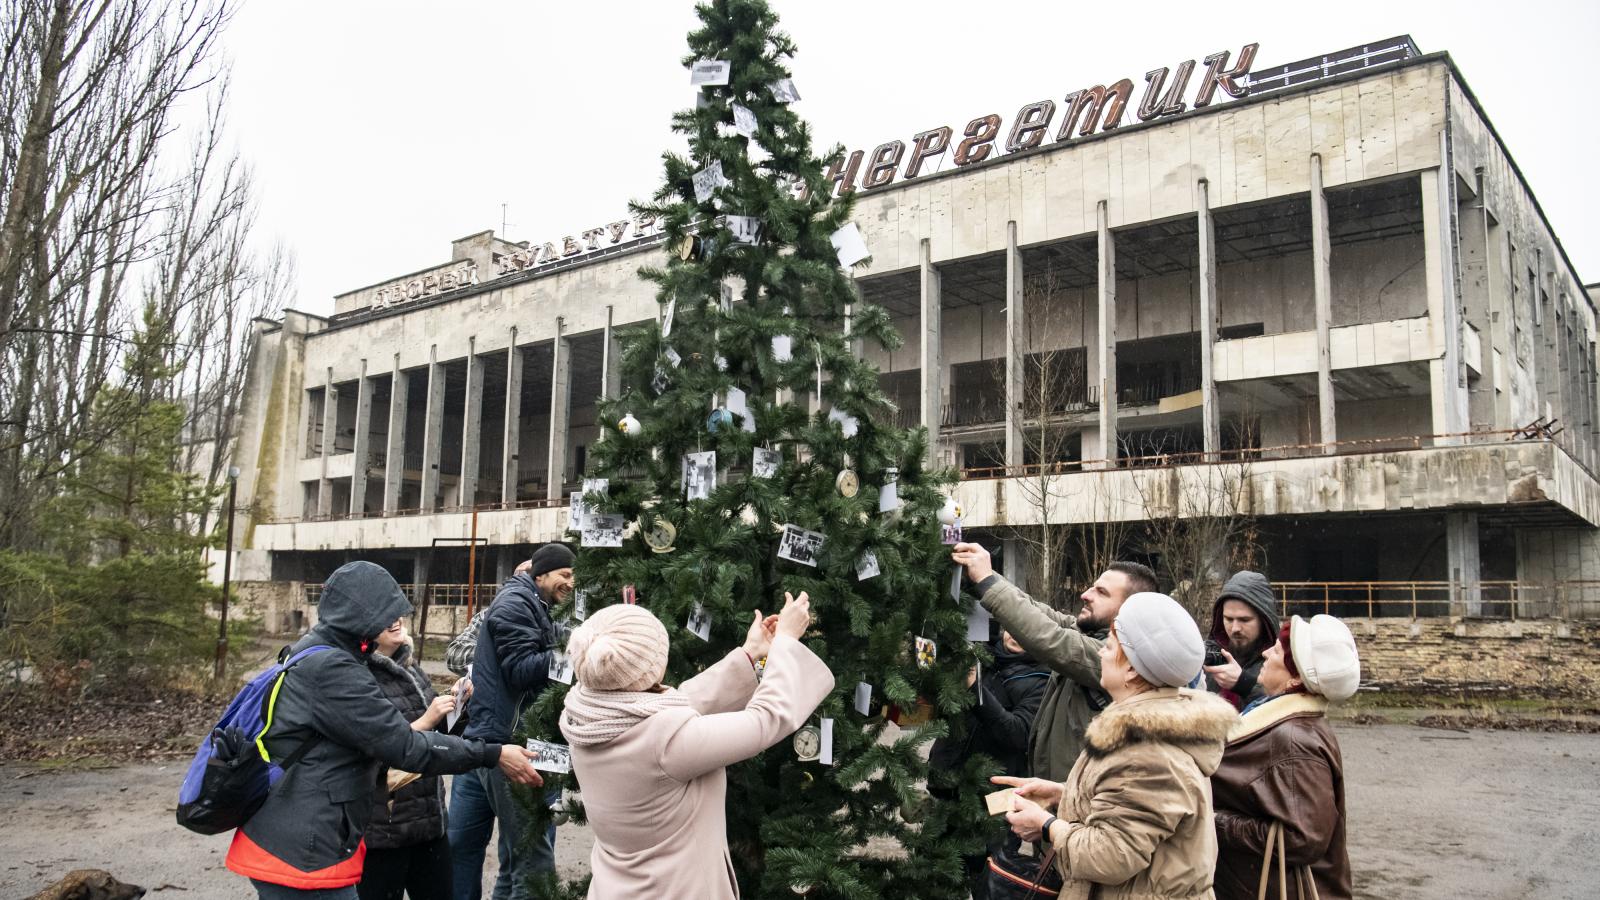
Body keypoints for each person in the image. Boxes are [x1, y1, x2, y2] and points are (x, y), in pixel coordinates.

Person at [225, 561, 542, 900]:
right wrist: (492, 753)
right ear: (360, 615)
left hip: (311, 841)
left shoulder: (319, 653)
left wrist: (458, 711)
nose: (395, 621)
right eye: (386, 613)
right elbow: (403, 746)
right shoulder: (332, 669)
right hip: (302, 854)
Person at [560, 593, 832, 899]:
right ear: (653, 668)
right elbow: (765, 721)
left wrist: (749, 652)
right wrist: (786, 643)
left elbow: (677, 703)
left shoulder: (586, 714)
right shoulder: (667, 742)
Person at [999, 592, 1238, 899]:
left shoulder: (1145, 750)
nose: (1101, 654)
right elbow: (1131, 805)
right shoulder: (1148, 732)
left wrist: (1047, 826)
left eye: (1110, 647)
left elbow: (1111, 856)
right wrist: (1063, 794)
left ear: (1132, 670)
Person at [951, 541, 1159, 784]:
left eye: (1101, 592)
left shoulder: (1117, 656)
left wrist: (987, 581)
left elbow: (1051, 638)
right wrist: (983, 579)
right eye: (1092, 587)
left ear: (1130, 610)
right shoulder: (1090, 634)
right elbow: (1039, 612)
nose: (1085, 594)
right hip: (1058, 795)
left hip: (1081, 807)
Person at [451, 544, 574, 900]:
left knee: (518, 859)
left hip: (530, 740)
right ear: (539, 575)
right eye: (563, 575)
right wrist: (573, 653)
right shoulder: (515, 605)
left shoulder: (542, 607)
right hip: (514, 743)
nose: (570, 582)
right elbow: (521, 670)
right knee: (531, 865)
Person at [1211, 615, 1360, 900]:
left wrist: (1214, 821)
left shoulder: (1294, 740)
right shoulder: (1284, 721)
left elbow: (1303, 838)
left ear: (1295, 678)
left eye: (1277, 650)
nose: (1266, 652)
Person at [927, 629, 1048, 900]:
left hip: (997, 801)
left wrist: (975, 686)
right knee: (936, 873)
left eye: (1025, 629)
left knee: (989, 881)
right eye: (1011, 626)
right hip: (948, 789)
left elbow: (1017, 733)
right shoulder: (979, 655)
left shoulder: (1042, 679)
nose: (1016, 634)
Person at [357, 618, 458, 900]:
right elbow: (372, 750)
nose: (396, 620)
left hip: (429, 824)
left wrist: (457, 704)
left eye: (398, 611)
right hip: (384, 834)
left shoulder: (410, 667)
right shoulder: (357, 676)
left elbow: (438, 733)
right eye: (384, 616)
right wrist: (426, 720)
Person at [1202, 571, 1280, 710]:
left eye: (1245, 620)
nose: (1235, 628)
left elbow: (1284, 714)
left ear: (1264, 620)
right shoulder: (1211, 655)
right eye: (1229, 619)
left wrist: (1244, 684)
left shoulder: (1281, 663)